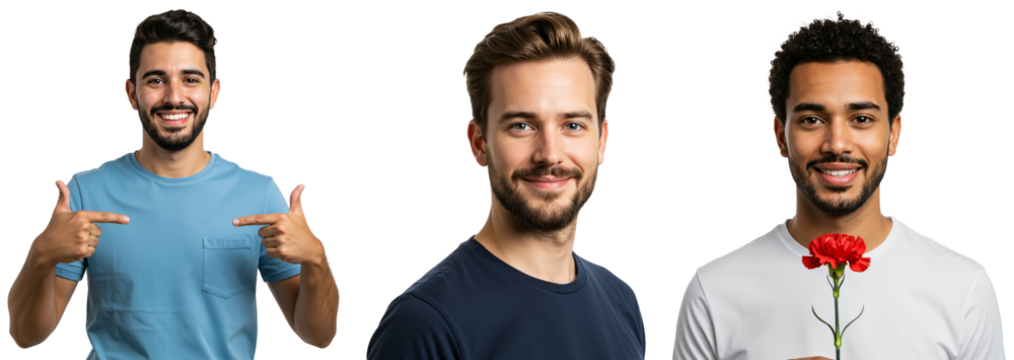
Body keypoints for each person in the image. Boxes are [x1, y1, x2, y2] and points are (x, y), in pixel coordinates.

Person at [670, 10, 1005, 360]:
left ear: (894, 133)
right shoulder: (713, 290)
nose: (837, 144)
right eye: (812, 119)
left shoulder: (963, 286)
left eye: (861, 119)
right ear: (779, 137)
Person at [5, 8, 339, 358]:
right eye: (156, 80)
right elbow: (27, 336)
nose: (173, 97)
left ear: (215, 92)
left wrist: (316, 258)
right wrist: (40, 254)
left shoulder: (259, 194)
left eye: (191, 79)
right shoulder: (85, 193)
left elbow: (319, 336)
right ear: (131, 93)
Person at [365, 11, 645, 360]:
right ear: (478, 143)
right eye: (521, 126)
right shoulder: (425, 323)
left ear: (602, 141)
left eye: (572, 125)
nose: (550, 154)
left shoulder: (622, 300)